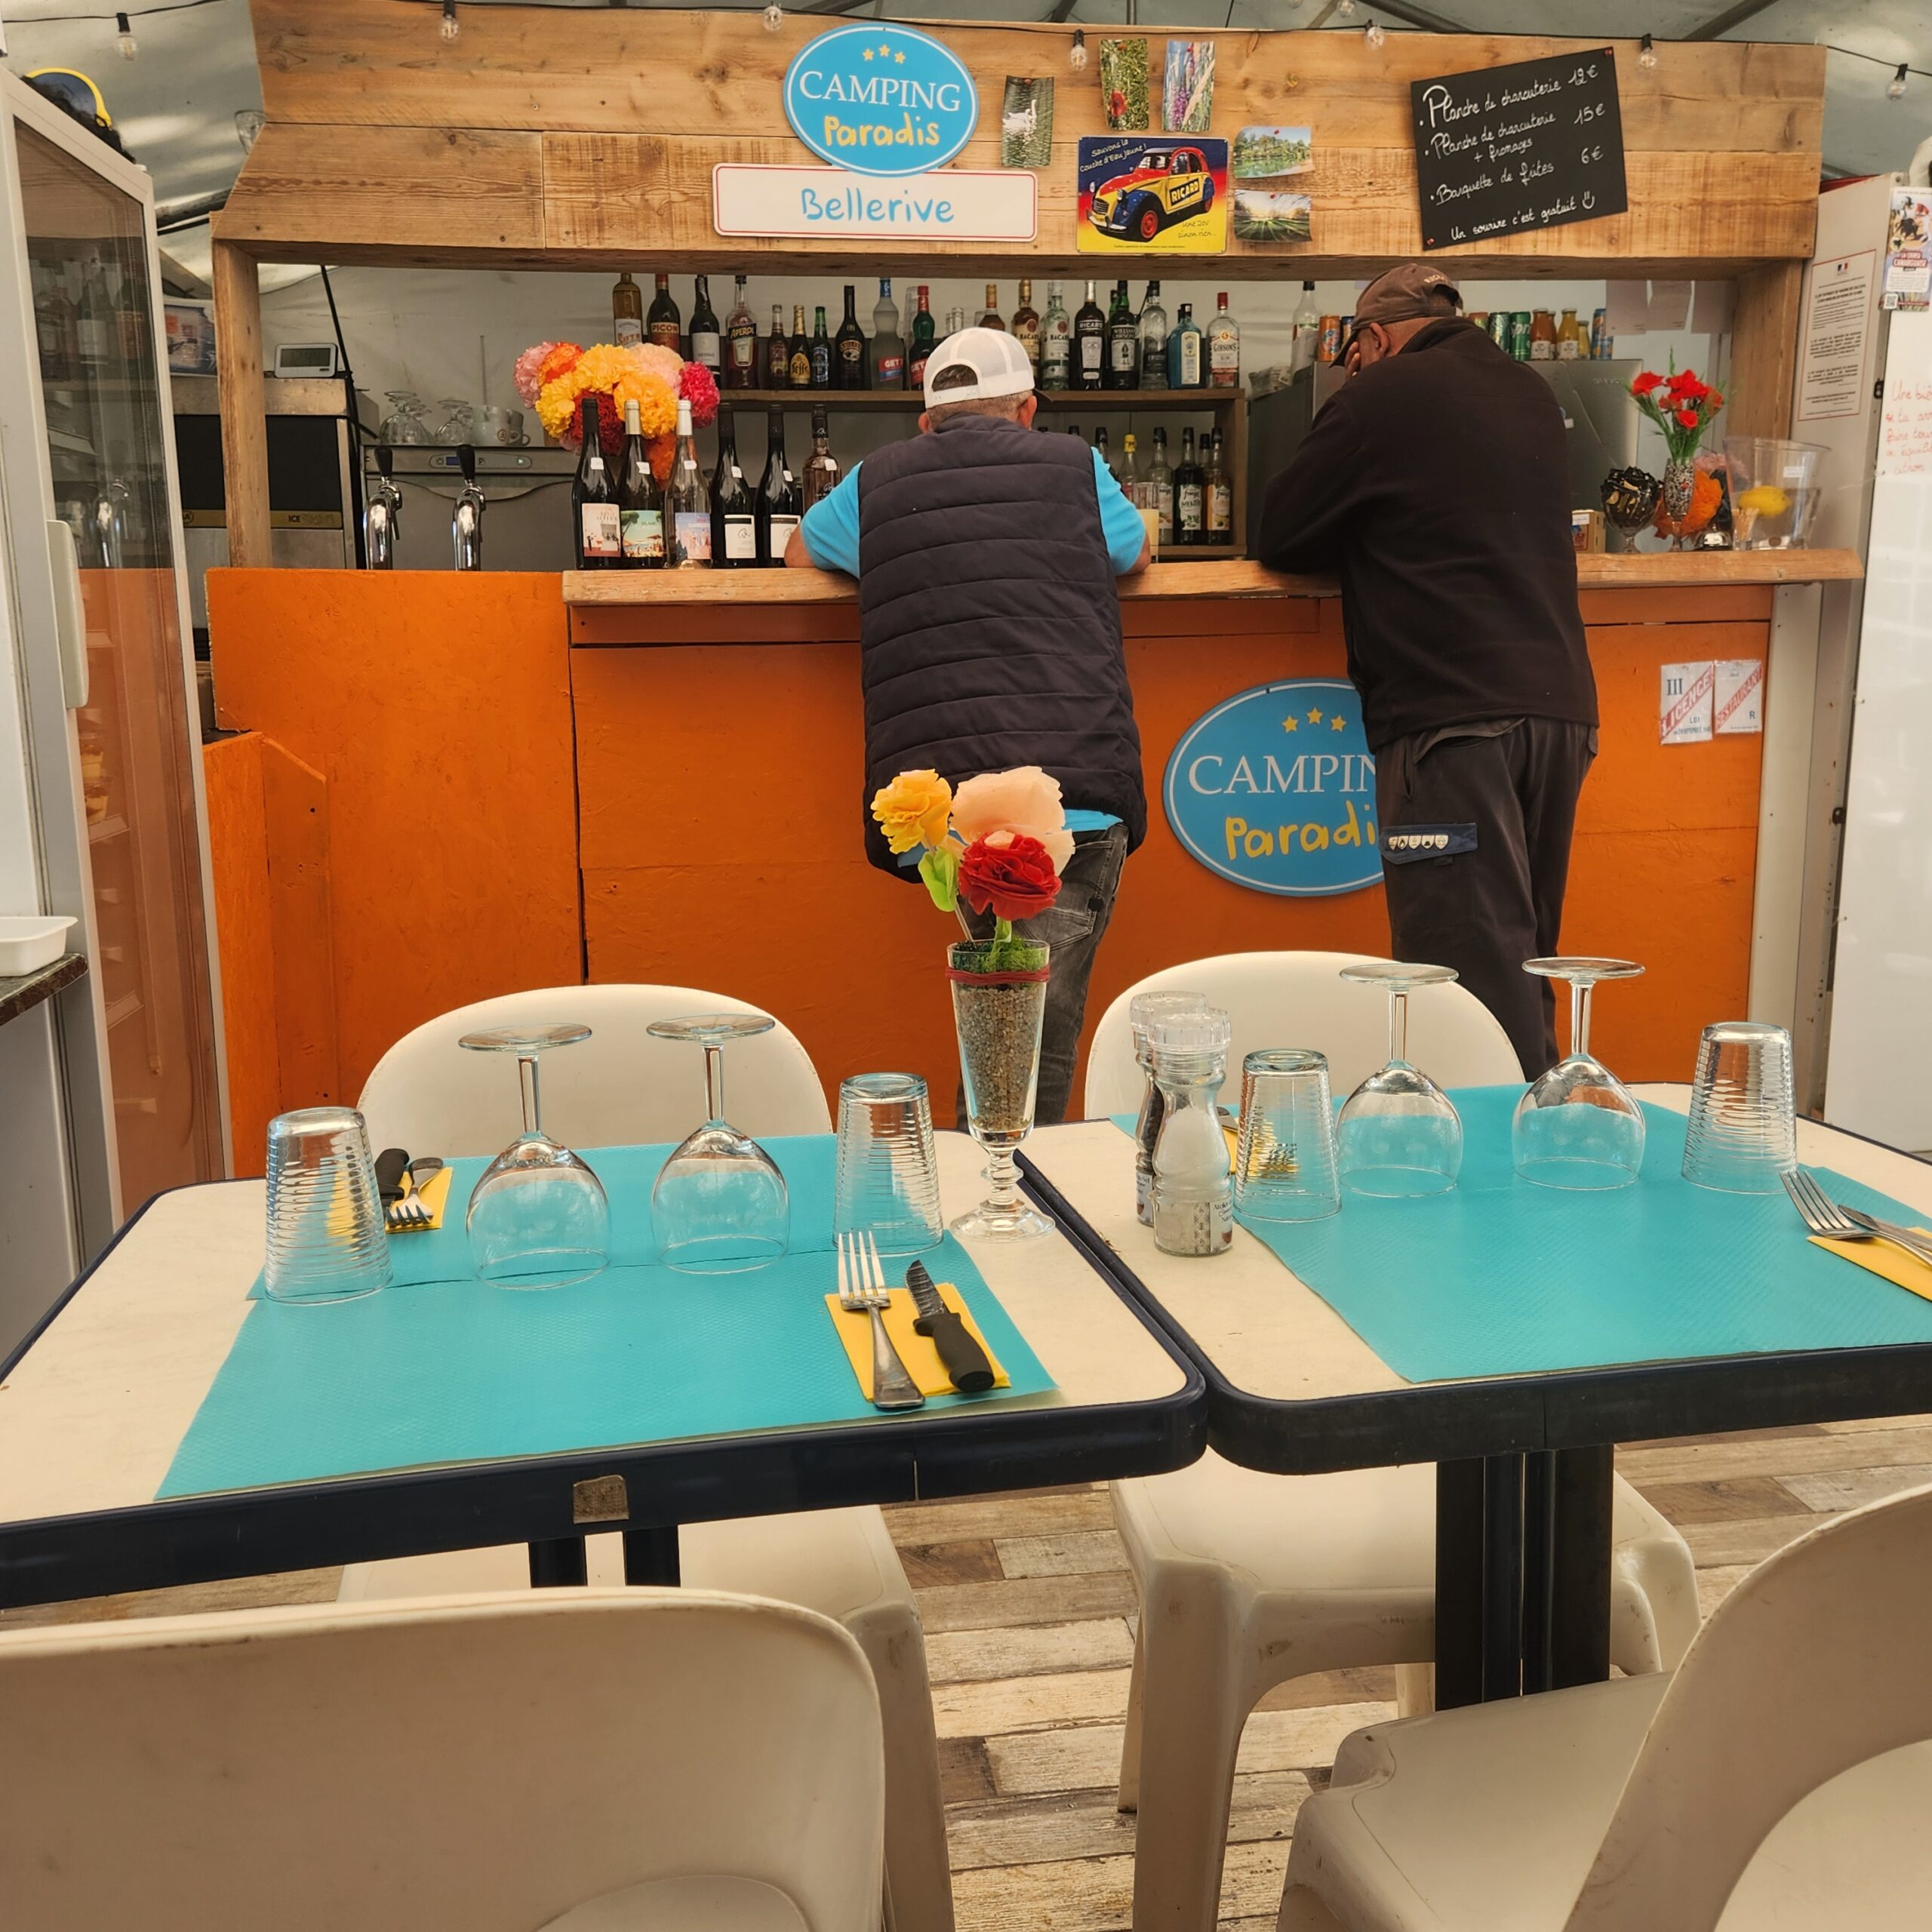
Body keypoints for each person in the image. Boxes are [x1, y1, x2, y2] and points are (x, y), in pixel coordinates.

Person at [787, 327, 1152, 1123]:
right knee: (1026, 1053)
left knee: (1003, 1035)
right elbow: (1137, 551)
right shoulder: (1073, 465)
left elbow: (797, 554)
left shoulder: (876, 478)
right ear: (1026, 410)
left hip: (942, 807)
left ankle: (984, 1180)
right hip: (1069, 796)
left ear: (927, 421)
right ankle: (998, 1188)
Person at [1254, 264, 1598, 1075]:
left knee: (1461, 981)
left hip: (1451, 721)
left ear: (1374, 338)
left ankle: (1489, 1146)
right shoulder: (1528, 390)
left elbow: (1281, 533)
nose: (1350, 371)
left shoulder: (1380, 396)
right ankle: (1533, 1125)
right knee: (1523, 962)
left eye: (1350, 356)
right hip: (1559, 713)